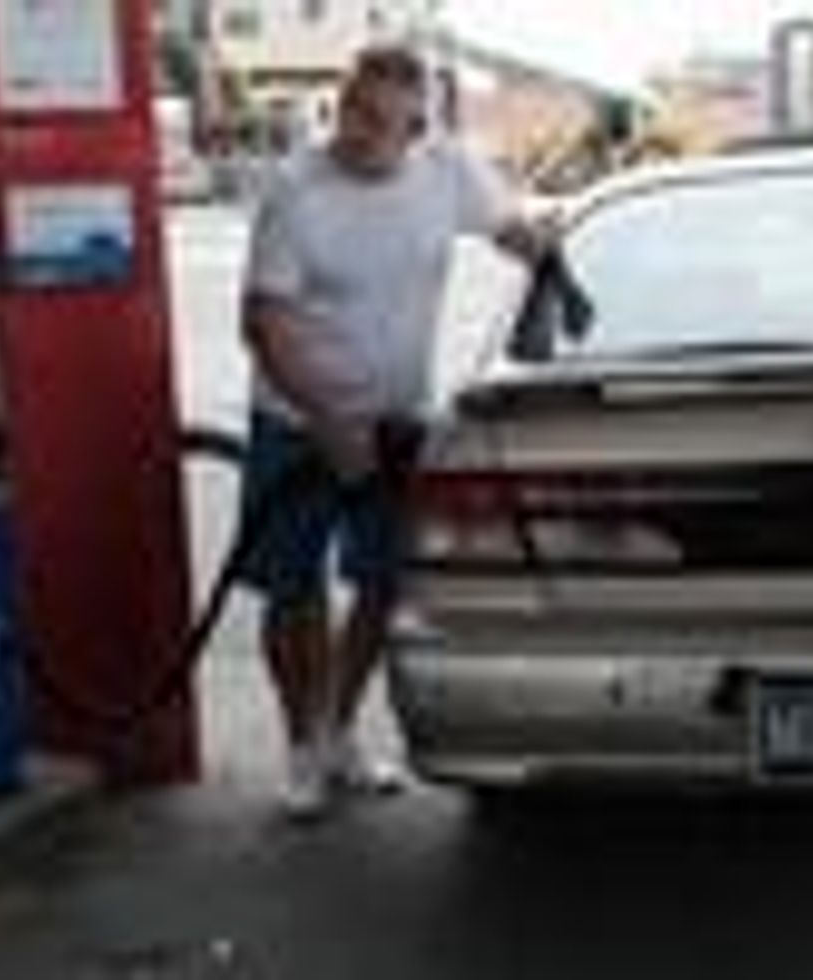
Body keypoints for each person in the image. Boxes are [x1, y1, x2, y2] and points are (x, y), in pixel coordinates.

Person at [239, 44, 547, 818]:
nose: (361, 133)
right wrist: (325, 420)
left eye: (384, 121)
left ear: (420, 125)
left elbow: (517, 232)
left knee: (382, 584)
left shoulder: (447, 172)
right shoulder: (295, 190)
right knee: (294, 592)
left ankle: (340, 731)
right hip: (297, 421)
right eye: (353, 112)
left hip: (398, 421)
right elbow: (264, 321)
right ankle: (302, 748)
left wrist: (565, 248)